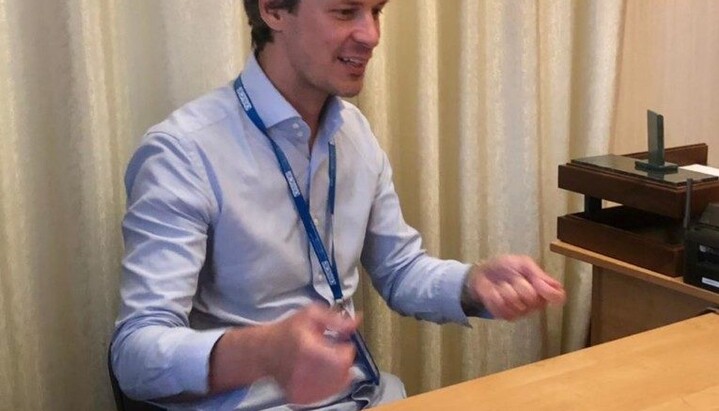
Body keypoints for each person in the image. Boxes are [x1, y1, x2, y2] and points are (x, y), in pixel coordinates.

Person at [110, 0, 566, 409]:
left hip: (367, 395)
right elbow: (134, 355)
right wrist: (265, 351)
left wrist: (472, 284)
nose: (371, 35)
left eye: (377, 11)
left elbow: (401, 270)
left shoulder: (355, 134)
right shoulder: (184, 152)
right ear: (273, 10)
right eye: (346, 12)